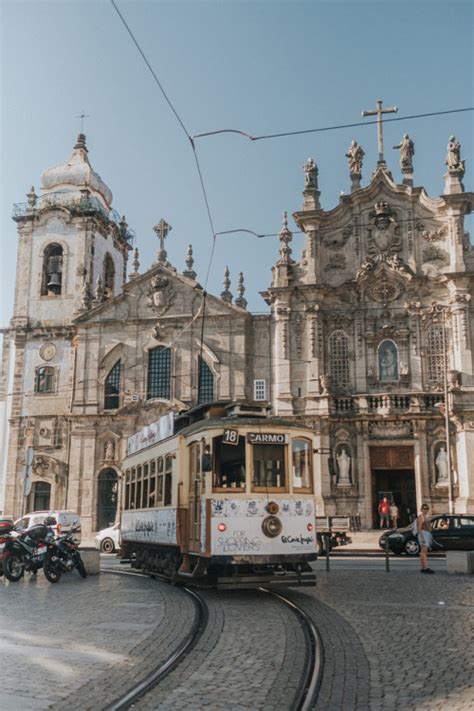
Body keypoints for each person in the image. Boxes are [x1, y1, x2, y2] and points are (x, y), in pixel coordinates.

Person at [416, 504, 435, 574]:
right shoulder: (421, 517)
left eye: (427, 508)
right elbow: (419, 528)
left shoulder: (425, 517)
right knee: (423, 553)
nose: (426, 510)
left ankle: (423, 568)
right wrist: (422, 538)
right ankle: (425, 568)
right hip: (423, 534)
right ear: (421, 509)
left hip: (426, 534)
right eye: (424, 508)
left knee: (423, 552)